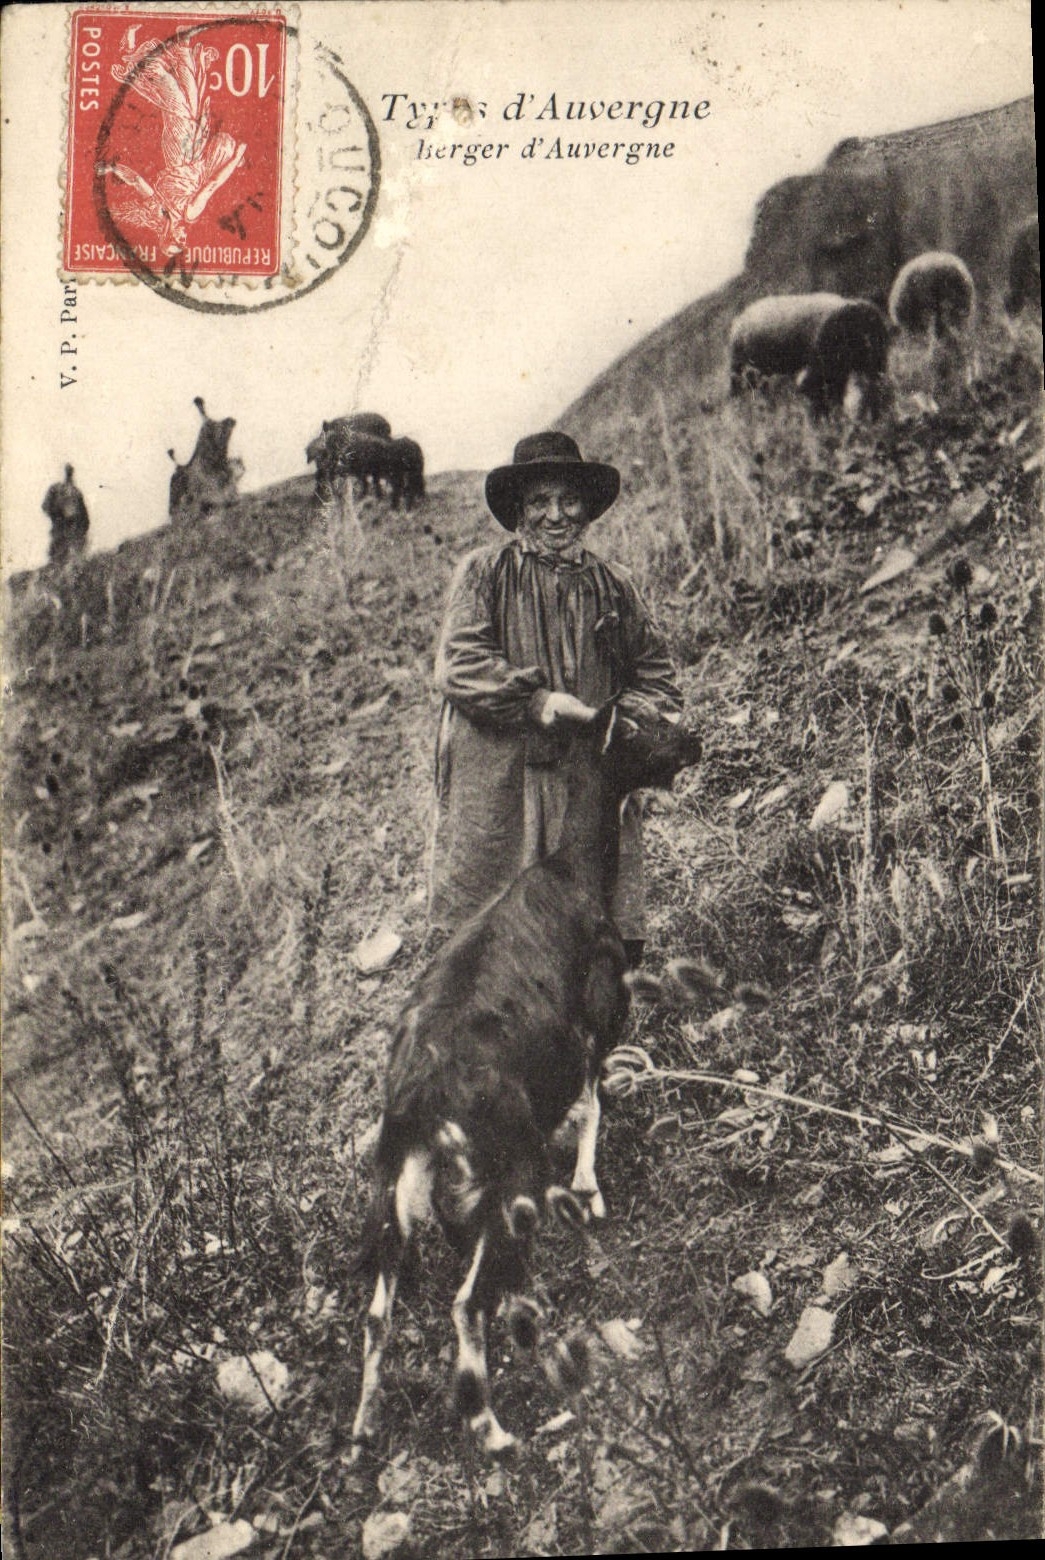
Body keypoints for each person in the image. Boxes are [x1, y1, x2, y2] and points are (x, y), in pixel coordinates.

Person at [428, 429, 685, 965]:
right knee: (497, 937)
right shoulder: (483, 574)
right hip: (507, 782)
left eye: (569, 500)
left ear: (587, 509)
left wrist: (621, 724)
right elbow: (460, 664)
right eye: (540, 501)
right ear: (519, 511)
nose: (556, 515)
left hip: (588, 784)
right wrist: (539, 702)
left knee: (596, 932)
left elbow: (656, 673)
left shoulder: (615, 585)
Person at [42, 464, 90, 567]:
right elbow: (46, 506)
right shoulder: (57, 489)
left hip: (73, 528)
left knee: (74, 557)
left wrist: (82, 529)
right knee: (58, 554)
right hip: (60, 526)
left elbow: (84, 515)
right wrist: (56, 514)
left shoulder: (76, 492)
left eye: (70, 472)